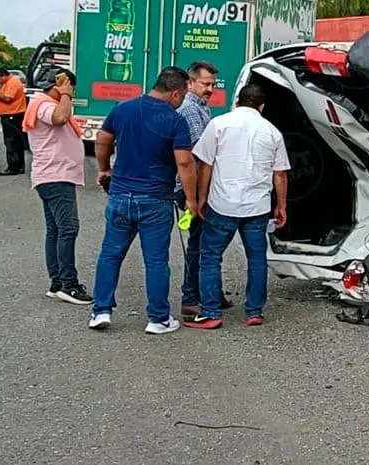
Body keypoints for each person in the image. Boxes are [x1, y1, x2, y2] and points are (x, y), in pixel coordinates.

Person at [88, 67, 199, 334]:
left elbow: (102, 139)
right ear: (175, 93)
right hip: (155, 200)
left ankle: (100, 310)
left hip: (120, 196)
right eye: (183, 94)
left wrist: (104, 169)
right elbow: (184, 162)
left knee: (110, 255)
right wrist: (192, 200)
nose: (183, 100)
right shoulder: (175, 121)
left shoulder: (122, 108)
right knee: (156, 261)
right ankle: (158, 319)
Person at [186, 85, 289, 329]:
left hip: (222, 204)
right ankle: (254, 311)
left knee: (210, 256)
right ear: (261, 107)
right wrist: (281, 205)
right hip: (257, 208)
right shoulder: (272, 132)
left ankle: (211, 313)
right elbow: (280, 174)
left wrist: (202, 198)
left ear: (237, 102)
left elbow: (205, 165)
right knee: (256, 259)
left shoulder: (219, 124)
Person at [24, 67, 92, 305]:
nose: (73, 93)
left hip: (54, 175)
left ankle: (56, 282)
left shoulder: (42, 103)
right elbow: (59, 118)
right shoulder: (44, 104)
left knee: (56, 230)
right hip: (56, 176)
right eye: (71, 87)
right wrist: (64, 94)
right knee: (68, 229)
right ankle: (68, 284)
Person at [173, 60, 234, 317]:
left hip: (196, 187)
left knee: (202, 241)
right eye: (205, 84)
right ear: (191, 82)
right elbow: (198, 154)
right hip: (192, 187)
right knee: (200, 243)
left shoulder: (201, 107)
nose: (209, 89)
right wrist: (198, 197)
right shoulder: (190, 109)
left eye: (212, 84)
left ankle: (205, 292)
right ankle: (192, 296)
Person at [0, 68, 28, 176]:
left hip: (12, 116)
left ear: (3, 76)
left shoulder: (12, 82)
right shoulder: (9, 82)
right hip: (11, 116)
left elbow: (7, 99)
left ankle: (14, 167)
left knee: (11, 142)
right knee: (15, 142)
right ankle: (18, 166)